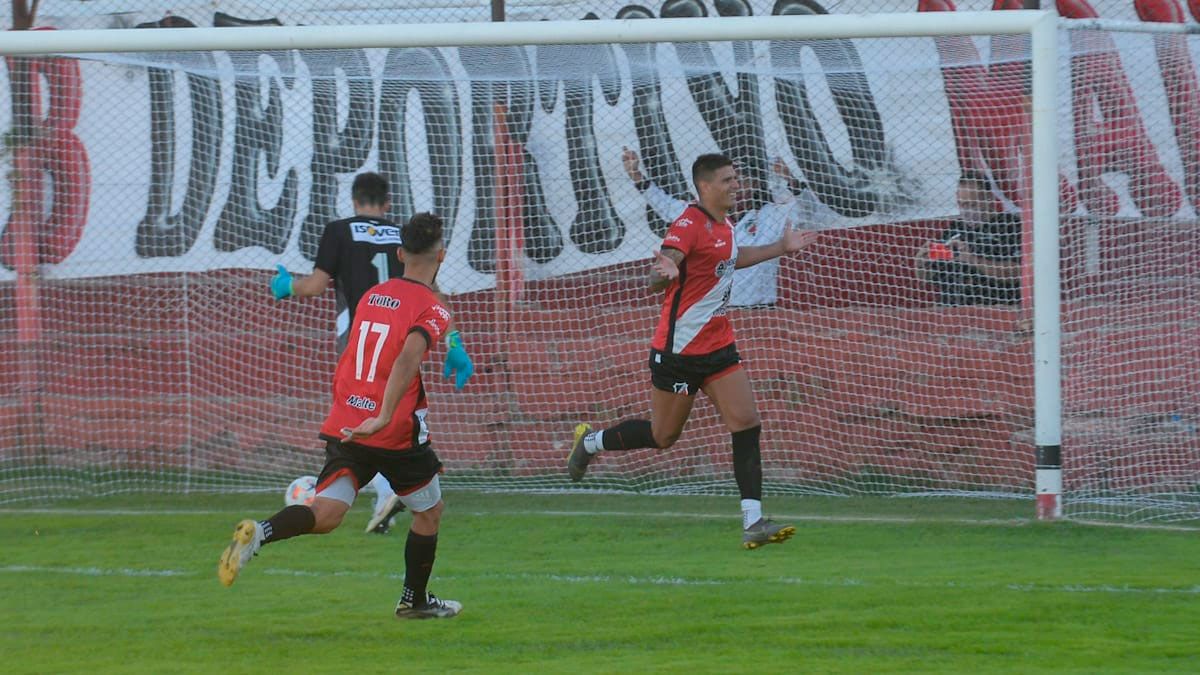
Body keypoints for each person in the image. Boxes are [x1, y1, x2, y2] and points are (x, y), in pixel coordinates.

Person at [567, 153, 821, 550]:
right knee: (662, 435)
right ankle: (591, 442)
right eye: (727, 180)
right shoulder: (688, 224)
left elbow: (733, 259)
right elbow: (660, 272)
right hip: (679, 353)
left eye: (736, 178)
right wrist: (663, 273)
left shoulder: (726, 225)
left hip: (718, 346)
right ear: (705, 186)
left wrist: (780, 247)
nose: (735, 185)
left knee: (747, 422)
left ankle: (753, 522)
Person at [219, 212, 462, 619]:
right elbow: (407, 358)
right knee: (429, 512)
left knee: (326, 514)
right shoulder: (432, 308)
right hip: (393, 430)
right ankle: (413, 601)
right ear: (442, 255)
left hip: (348, 421)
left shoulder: (372, 295)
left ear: (400, 254)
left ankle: (260, 533)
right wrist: (384, 415)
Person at [270, 172, 474, 534]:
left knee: (357, 423)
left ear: (354, 201)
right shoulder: (404, 236)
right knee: (390, 418)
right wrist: (454, 343)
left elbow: (315, 285)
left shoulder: (338, 230)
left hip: (361, 342)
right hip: (405, 336)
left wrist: (287, 286)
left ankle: (381, 489)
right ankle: (391, 488)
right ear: (387, 203)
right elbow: (434, 297)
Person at [622, 147, 828, 307]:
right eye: (728, 181)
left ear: (755, 184)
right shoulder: (701, 214)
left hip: (760, 313)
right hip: (713, 312)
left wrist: (790, 178)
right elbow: (666, 206)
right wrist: (636, 175)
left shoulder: (771, 214)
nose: (735, 187)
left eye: (742, 180)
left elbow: (810, 212)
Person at [913, 171, 1022, 306]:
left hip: (995, 306)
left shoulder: (1009, 226)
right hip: (953, 309)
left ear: (988, 199)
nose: (966, 211)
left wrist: (971, 259)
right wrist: (921, 264)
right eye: (961, 204)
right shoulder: (954, 229)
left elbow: (1019, 272)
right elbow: (929, 278)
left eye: (972, 205)